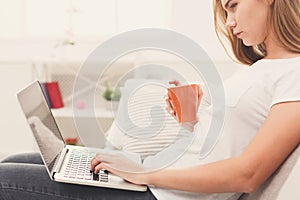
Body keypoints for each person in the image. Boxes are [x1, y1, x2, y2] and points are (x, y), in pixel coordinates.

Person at [1, 0, 299, 199]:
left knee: (5, 178)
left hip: (163, 194)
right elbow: (216, 148)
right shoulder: (260, 68)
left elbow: (246, 174)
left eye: (233, 6)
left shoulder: (294, 73)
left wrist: (143, 173)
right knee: (15, 161)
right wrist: (190, 119)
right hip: (159, 178)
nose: (231, 23)